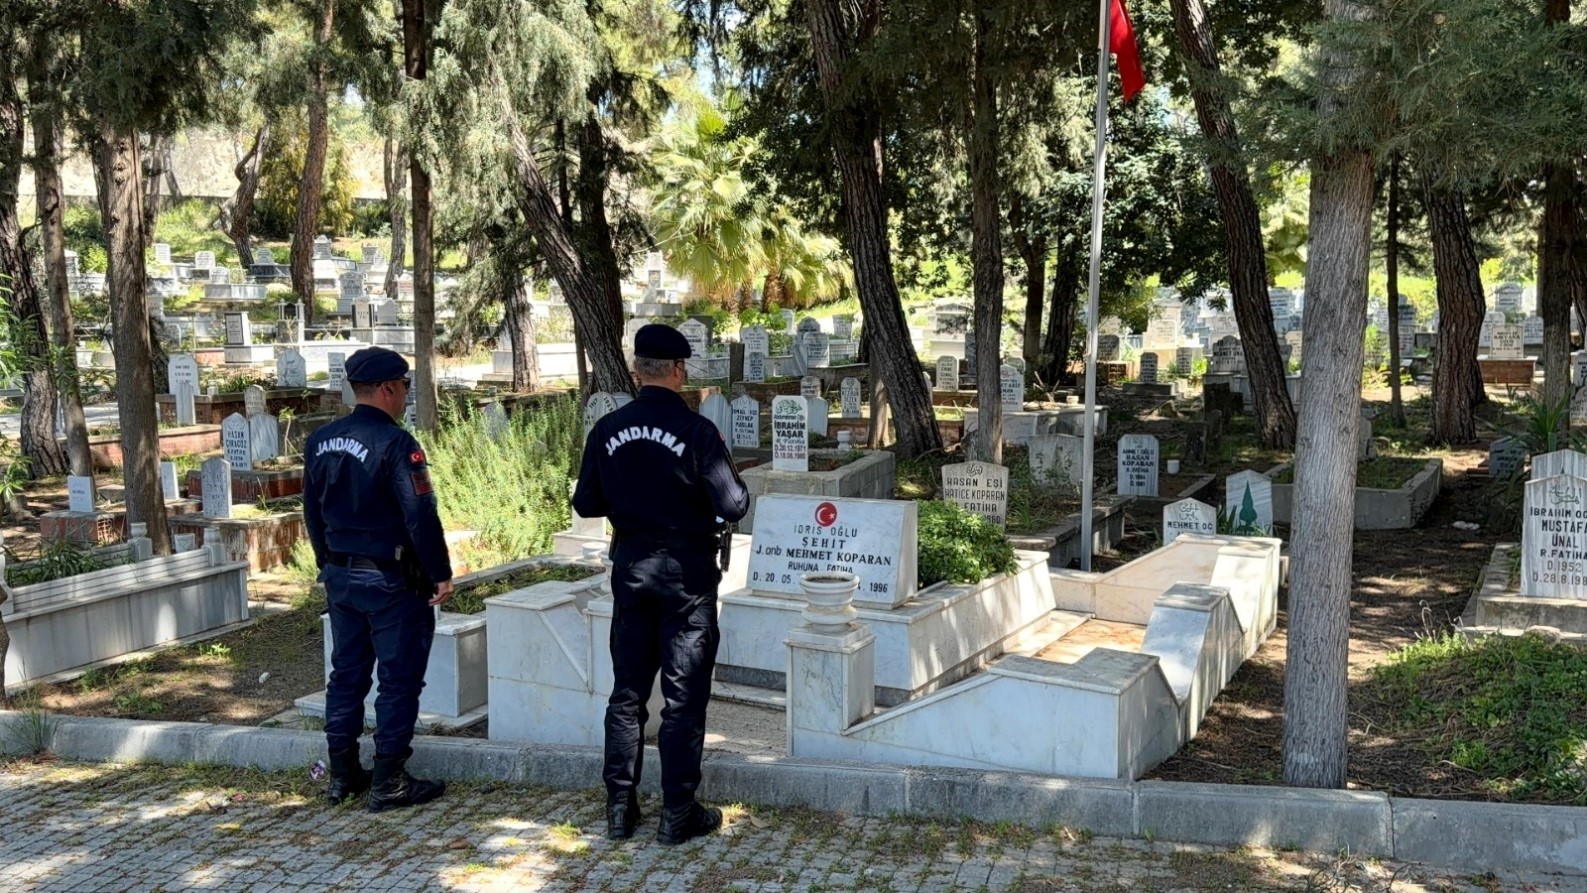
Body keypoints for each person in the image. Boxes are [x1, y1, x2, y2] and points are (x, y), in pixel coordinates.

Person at [572, 324, 750, 845]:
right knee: (683, 697)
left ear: (635, 371)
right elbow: (733, 504)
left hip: (631, 570)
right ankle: (677, 812)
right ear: (679, 371)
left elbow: (585, 504)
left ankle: (619, 810)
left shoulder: (607, 429)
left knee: (627, 695)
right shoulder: (697, 433)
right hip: (686, 578)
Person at [303, 346, 454, 813]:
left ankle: (342, 774)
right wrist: (440, 573)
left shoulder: (320, 440)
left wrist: (327, 563)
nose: (407, 395)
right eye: (406, 386)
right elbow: (420, 514)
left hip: (342, 577)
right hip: (390, 581)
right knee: (398, 679)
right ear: (388, 388)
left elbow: (311, 512)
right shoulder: (396, 444)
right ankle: (389, 779)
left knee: (346, 676)